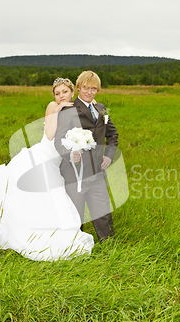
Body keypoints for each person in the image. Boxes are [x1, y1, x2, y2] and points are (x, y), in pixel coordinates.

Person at [0, 78, 94, 261]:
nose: (61, 96)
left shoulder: (74, 109)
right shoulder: (52, 107)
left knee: (45, 197)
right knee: (19, 191)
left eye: (64, 92)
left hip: (56, 162)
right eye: (57, 93)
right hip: (41, 157)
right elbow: (49, 135)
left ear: (72, 92)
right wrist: (56, 112)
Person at [54, 71, 118, 242]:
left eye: (94, 89)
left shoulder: (101, 109)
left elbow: (112, 134)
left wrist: (109, 156)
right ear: (79, 88)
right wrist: (70, 155)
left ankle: (109, 246)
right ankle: (75, 247)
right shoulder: (69, 110)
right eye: (86, 88)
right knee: (76, 213)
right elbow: (58, 140)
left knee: (103, 211)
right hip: (76, 174)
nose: (89, 92)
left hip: (97, 171)